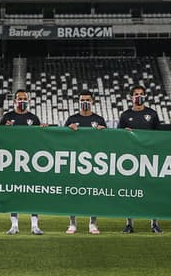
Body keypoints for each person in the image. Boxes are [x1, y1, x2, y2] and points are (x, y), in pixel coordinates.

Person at [0, 89, 47, 235]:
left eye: (24, 99)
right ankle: (14, 225)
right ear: (14, 101)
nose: (22, 101)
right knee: (14, 193)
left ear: (28, 101)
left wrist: (44, 131)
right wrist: (4, 130)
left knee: (33, 193)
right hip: (13, 161)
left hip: (30, 161)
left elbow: (40, 140)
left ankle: (34, 225)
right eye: (19, 99)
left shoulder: (34, 118)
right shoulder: (7, 117)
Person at [117, 85, 163, 234]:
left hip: (149, 158)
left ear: (145, 96)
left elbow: (159, 137)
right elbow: (117, 137)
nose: (138, 96)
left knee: (153, 192)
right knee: (130, 192)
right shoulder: (125, 115)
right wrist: (124, 134)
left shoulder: (152, 114)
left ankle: (154, 223)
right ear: (131, 97)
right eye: (136, 94)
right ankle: (129, 223)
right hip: (131, 159)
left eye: (141, 94)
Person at [64, 90, 106, 235]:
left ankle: (93, 224)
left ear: (92, 101)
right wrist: (67, 130)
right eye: (82, 100)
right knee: (73, 193)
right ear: (78, 101)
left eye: (88, 100)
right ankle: (72, 224)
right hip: (75, 162)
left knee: (93, 193)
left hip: (94, 162)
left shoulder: (99, 119)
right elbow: (61, 140)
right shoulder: (71, 118)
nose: (85, 102)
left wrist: (104, 132)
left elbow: (107, 141)